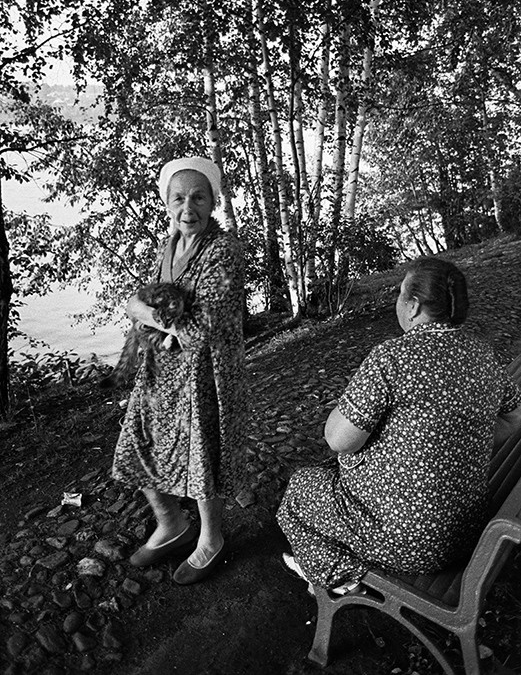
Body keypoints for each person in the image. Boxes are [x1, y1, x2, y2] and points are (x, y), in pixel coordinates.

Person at [277, 257, 521, 593]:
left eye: (400, 294)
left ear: (415, 306)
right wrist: (458, 441)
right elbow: (514, 417)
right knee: (328, 476)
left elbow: (338, 440)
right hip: (466, 534)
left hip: (409, 544)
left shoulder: (392, 357)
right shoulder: (484, 354)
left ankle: (338, 574)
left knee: (300, 491)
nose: (398, 302)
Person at [113, 156, 246, 584]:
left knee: (202, 452)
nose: (187, 207)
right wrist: (144, 311)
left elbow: (204, 327)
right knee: (139, 441)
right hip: (160, 367)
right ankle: (171, 524)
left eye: (198, 197)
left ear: (213, 202)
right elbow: (152, 298)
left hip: (204, 372)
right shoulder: (168, 245)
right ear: (166, 203)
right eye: (178, 198)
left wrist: (140, 310)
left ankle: (211, 539)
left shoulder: (223, 251)